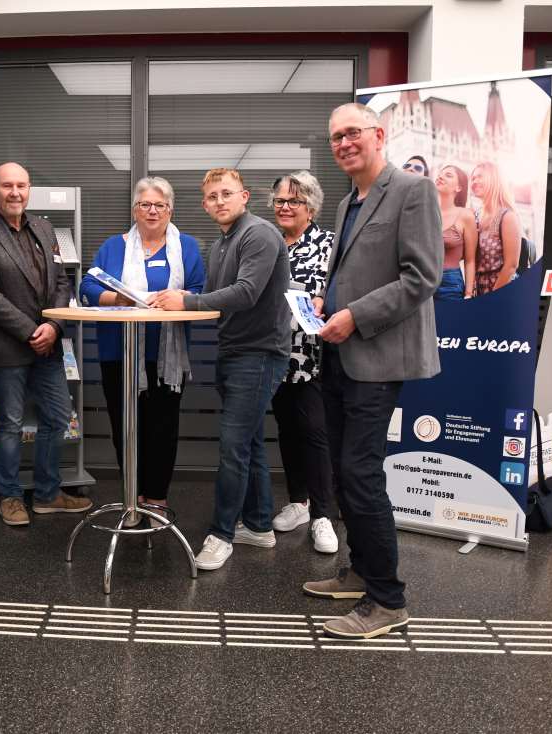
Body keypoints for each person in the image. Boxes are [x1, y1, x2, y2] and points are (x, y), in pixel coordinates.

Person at [303, 103, 441, 639]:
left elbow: (421, 277)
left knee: (360, 474)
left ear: (378, 135)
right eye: (335, 137)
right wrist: (324, 298)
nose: (343, 143)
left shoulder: (411, 191)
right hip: (338, 353)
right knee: (342, 471)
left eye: (352, 133)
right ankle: (360, 571)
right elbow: (351, 271)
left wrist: (354, 316)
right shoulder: (345, 204)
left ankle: (388, 599)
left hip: (377, 355)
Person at [151, 168, 290, 571]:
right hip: (234, 350)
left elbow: (245, 293)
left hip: (259, 354)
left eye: (226, 194)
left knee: (232, 447)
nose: (219, 202)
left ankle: (222, 534)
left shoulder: (259, 234)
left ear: (244, 196)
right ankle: (260, 526)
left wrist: (185, 303)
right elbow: (215, 299)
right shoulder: (220, 244)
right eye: (211, 197)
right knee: (247, 443)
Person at [0, 162, 93, 526]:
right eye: (7, 186)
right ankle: (10, 497)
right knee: (10, 424)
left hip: (48, 344)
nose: (15, 192)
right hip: (7, 347)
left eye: (21, 185)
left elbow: (63, 282)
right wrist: (31, 331)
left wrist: (52, 325)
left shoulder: (43, 226)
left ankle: (48, 493)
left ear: (29, 188)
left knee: (56, 416)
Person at [79, 177, 205, 525]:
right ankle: (131, 498)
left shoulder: (187, 247)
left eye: (159, 205)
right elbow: (87, 286)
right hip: (118, 354)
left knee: (162, 430)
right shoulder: (113, 247)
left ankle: (157, 499)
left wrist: (178, 300)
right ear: (134, 209)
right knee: (125, 428)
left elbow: (196, 289)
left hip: (166, 358)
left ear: (170, 210)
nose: (152, 211)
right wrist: (116, 298)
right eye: (145, 205)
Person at [267, 171, 338, 554]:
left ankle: (324, 514)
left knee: (314, 430)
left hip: (312, 354)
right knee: (287, 428)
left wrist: (326, 299)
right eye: (279, 201)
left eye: (292, 201)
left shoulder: (328, 243)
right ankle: (299, 502)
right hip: (273, 351)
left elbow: (341, 288)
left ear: (310, 206)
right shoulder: (268, 242)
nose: (284, 207)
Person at [471, 160, 522, 296]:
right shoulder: (475, 215)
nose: (474, 181)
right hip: (479, 291)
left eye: (480, 176)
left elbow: (511, 265)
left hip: (503, 291)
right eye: (473, 178)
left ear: (493, 179)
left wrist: (493, 298)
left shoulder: (507, 216)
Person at [433, 164, 478, 300]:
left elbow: (470, 260)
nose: (441, 176)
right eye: (440, 173)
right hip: (423, 281)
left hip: (450, 285)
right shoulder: (427, 211)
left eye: (448, 175)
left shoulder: (466, 216)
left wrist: (468, 294)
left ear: (458, 187)